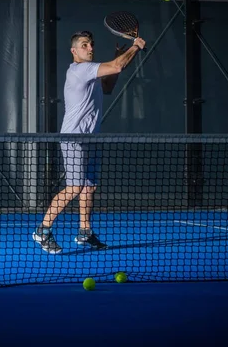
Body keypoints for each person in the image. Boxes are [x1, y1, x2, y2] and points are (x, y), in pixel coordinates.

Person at [32, 30, 146, 254]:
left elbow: (108, 87)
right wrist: (135, 47)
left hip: (91, 137)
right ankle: (42, 230)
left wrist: (118, 57)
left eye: (91, 44)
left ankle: (85, 232)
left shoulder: (91, 73)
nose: (90, 48)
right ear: (74, 51)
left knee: (88, 187)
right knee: (74, 187)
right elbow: (117, 66)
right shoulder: (80, 70)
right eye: (85, 45)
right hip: (74, 138)